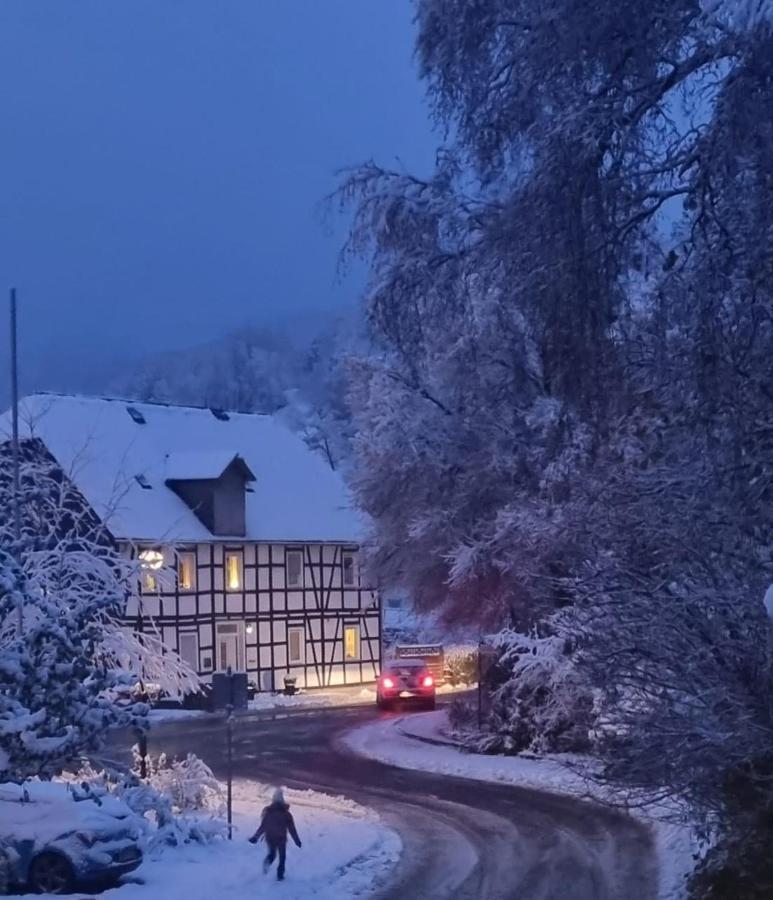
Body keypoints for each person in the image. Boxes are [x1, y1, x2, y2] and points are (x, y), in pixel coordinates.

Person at [248, 787, 302, 881]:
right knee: (282, 857)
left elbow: (263, 826)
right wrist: (297, 841)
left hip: (270, 837)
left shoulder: (268, 813)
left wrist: (255, 837)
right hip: (281, 838)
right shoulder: (286, 814)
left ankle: (267, 862)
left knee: (272, 854)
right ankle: (280, 875)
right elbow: (292, 829)